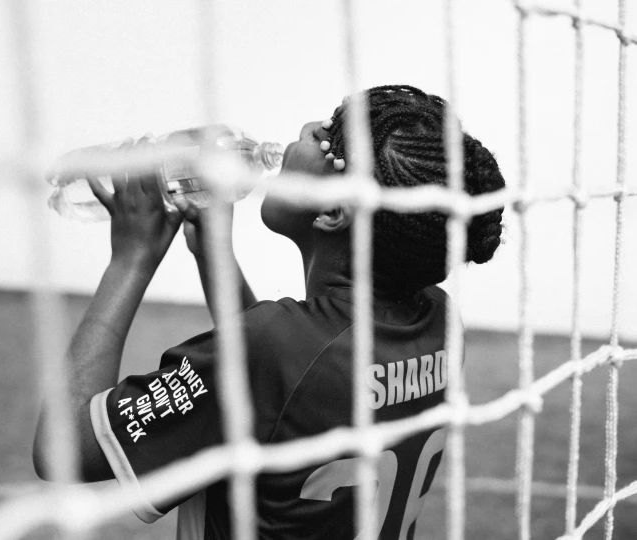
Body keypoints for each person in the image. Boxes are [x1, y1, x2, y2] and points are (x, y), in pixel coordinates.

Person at [33, 84, 505, 540]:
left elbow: (63, 450)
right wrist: (215, 253)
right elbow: (287, 391)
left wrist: (131, 259)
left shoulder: (275, 345)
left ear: (334, 210)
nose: (305, 130)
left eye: (327, 133)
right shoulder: (441, 324)